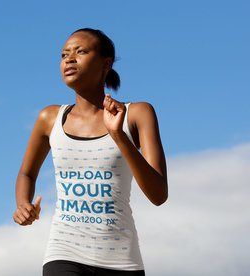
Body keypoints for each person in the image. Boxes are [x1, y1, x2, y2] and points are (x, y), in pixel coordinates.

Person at [13, 28, 168, 276]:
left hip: (122, 262)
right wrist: (23, 204)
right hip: (64, 253)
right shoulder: (49, 118)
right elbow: (27, 174)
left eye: (81, 51)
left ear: (106, 63)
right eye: (64, 54)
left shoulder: (138, 114)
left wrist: (119, 135)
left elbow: (159, 195)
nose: (69, 59)